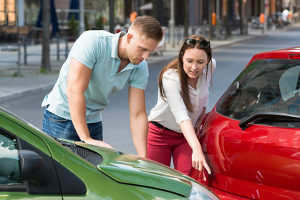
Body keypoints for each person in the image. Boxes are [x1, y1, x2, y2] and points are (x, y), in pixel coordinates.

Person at [42, 16, 163, 157]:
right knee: (60, 175)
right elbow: (74, 91)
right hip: (61, 118)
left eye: (150, 51)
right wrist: (86, 139)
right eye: (142, 49)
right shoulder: (93, 42)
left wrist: (143, 157)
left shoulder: (140, 67)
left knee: (91, 177)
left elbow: (137, 114)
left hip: (93, 121)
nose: (146, 57)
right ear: (129, 38)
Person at [147, 35, 215, 175]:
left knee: (187, 181)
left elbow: (204, 96)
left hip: (186, 136)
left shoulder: (210, 66)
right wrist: (197, 148)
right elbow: (181, 115)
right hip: (160, 134)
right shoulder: (170, 77)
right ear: (181, 57)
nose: (194, 67)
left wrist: (199, 121)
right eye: (189, 61)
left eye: (200, 62)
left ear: (208, 60)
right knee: (158, 182)